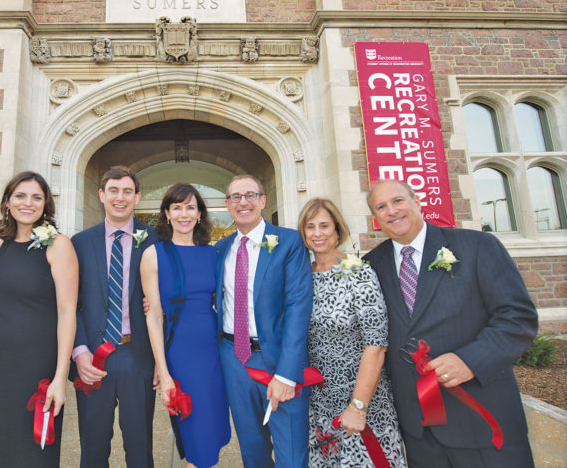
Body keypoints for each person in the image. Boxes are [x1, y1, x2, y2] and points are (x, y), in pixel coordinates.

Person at [364, 179, 538, 468]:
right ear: (376, 216)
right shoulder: (371, 265)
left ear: (416, 200)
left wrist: (469, 360)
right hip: (418, 429)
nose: (392, 211)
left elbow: (517, 318)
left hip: (479, 416)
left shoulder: (476, 246)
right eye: (381, 207)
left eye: (398, 201)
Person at [0, 171, 78, 467]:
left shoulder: (58, 245)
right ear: (7, 202)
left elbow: (68, 311)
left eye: (36, 198)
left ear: (46, 205)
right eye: (20, 196)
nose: (28, 203)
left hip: (34, 368)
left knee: (30, 452)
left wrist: (59, 377)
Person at [214, 174, 313, 468]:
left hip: (280, 360)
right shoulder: (220, 250)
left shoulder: (289, 242)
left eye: (250, 195)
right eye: (235, 197)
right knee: (252, 449)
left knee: (291, 454)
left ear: (262, 200)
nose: (243, 202)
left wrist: (286, 374)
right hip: (234, 360)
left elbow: (298, 307)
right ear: (227, 205)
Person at [298, 198, 406, 467]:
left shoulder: (357, 271)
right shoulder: (302, 275)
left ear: (337, 229)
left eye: (324, 225)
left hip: (360, 394)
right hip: (319, 399)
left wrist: (358, 406)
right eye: (310, 227)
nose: (318, 233)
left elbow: (377, 343)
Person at [70, 165, 157, 467]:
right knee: (93, 447)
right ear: (102, 195)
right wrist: (79, 352)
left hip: (138, 355)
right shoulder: (80, 243)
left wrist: (163, 361)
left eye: (127, 192)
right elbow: (72, 304)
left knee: (140, 446)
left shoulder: (155, 240)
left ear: (137, 197)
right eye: (114, 191)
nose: (120, 198)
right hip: (93, 358)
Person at [141, 183, 231, 468]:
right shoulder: (154, 254)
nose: (184, 214)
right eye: (177, 207)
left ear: (199, 214)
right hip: (180, 353)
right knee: (195, 429)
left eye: (190, 207)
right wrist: (164, 371)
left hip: (215, 352)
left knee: (213, 428)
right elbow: (153, 316)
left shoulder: (213, 254)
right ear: (166, 213)